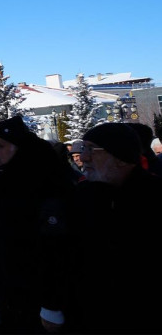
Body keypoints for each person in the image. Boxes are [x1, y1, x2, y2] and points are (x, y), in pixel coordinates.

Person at [66, 123, 162, 333]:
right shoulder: (82, 197)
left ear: (120, 157)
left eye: (91, 149)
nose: (83, 157)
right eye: (83, 149)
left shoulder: (154, 198)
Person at [0, 116, 69, 334]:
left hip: (38, 295)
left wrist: (52, 304)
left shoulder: (47, 183)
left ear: (19, 148)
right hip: (11, 289)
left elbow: (56, 248)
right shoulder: (3, 180)